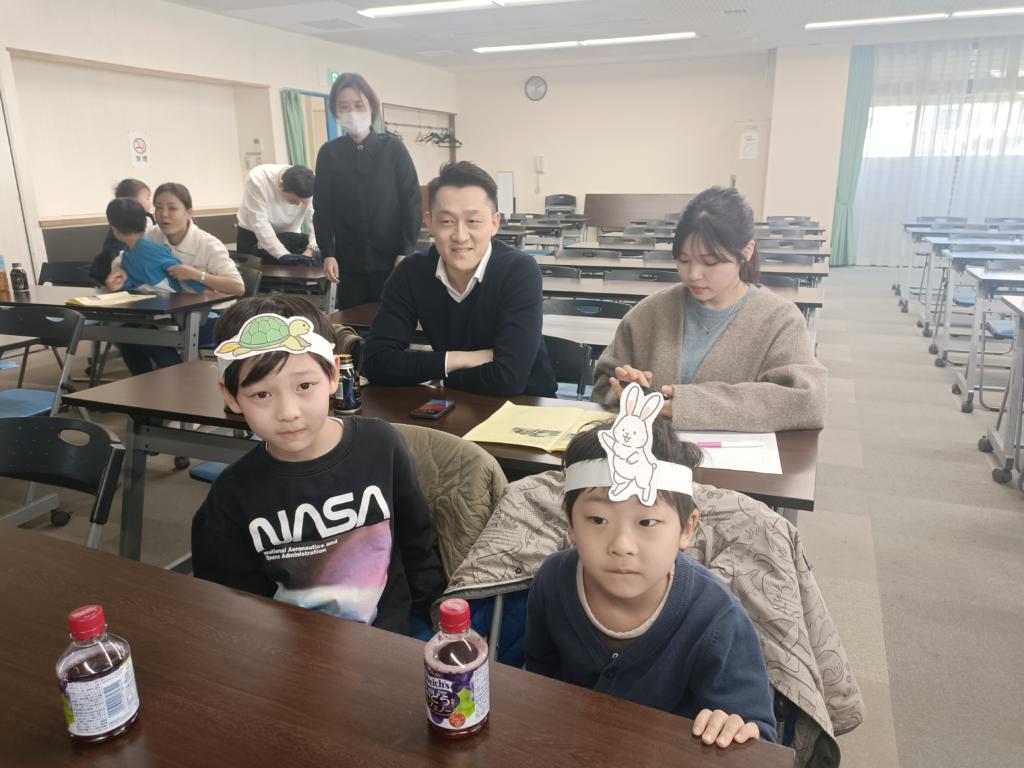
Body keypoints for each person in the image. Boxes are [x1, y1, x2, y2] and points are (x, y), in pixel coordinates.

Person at [525, 399, 777, 747]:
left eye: (647, 522)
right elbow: (539, 682)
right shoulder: (552, 581)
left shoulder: (716, 618)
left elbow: (758, 736)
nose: (622, 545)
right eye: (598, 519)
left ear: (686, 529)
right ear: (570, 523)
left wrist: (734, 727)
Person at [191, 294, 446, 635]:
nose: (288, 412)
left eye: (304, 386)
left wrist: (437, 624)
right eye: (262, 394)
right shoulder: (232, 494)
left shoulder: (381, 445)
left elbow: (418, 545)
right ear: (230, 396)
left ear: (333, 375)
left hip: (388, 640)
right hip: (288, 649)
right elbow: (232, 603)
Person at [591, 186, 826, 431]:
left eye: (710, 262)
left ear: (746, 251)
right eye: (683, 260)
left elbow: (806, 402)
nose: (693, 274)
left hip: (735, 456)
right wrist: (625, 390)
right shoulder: (649, 313)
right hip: (651, 452)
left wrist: (683, 406)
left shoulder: (780, 320)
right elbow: (602, 387)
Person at [361, 161, 556, 397]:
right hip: (453, 403)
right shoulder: (410, 272)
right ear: (430, 223)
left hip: (526, 403)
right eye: (447, 221)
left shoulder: (519, 271)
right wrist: (460, 359)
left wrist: (438, 376)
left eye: (473, 221)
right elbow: (375, 363)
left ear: (494, 223)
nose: (460, 236)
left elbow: (508, 379)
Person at [104, 182, 244, 375]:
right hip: (171, 312)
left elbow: (238, 287)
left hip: (211, 316)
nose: (164, 215)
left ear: (188, 213)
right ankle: (144, 384)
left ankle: (181, 381)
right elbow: (124, 256)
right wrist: (118, 270)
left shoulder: (208, 244)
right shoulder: (152, 234)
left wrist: (196, 275)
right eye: (158, 208)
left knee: (149, 336)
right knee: (126, 333)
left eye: (172, 208)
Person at [313, 72, 422, 309]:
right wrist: (328, 252)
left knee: (394, 316)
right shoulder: (329, 153)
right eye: (344, 106)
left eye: (358, 105)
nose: (352, 112)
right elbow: (323, 208)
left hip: (392, 259)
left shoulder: (393, 148)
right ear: (335, 112)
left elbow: (411, 200)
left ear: (372, 107)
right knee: (352, 322)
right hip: (348, 262)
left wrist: (405, 250)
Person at [104, 198, 202, 293]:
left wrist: (203, 292)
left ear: (114, 229)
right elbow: (135, 284)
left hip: (170, 301)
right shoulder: (127, 254)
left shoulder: (149, 250)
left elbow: (181, 270)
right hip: (147, 301)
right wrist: (119, 285)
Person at [236, 164, 319, 264]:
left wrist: (311, 248)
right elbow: (260, 224)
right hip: (252, 234)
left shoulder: (311, 183)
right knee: (254, 272)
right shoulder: (258, 179)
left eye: (304, 202)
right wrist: (284, 256)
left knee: (298, 271)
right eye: (295, 201)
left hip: (289, 235)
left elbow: (318, 219)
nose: (299, 205)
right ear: (280, 185)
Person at [90, 178, 153, 286]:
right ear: (132, 202)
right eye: (147, 198)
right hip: (117, 260)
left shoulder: (148, 218)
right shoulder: (125, 221)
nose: (150, 203)